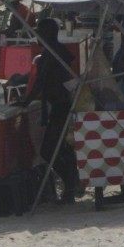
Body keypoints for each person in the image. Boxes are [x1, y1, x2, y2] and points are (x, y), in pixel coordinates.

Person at [23, 16, 79, 202]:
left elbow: (39, 83)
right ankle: (72, 183)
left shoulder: (52, 53)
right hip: (58, 104)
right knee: (61, 147)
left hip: (61, 105)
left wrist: (25, 101)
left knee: (49, 149)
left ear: (47, 34)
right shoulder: (53, 51)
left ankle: (71, 184)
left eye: (39, 32)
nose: (37, 36)